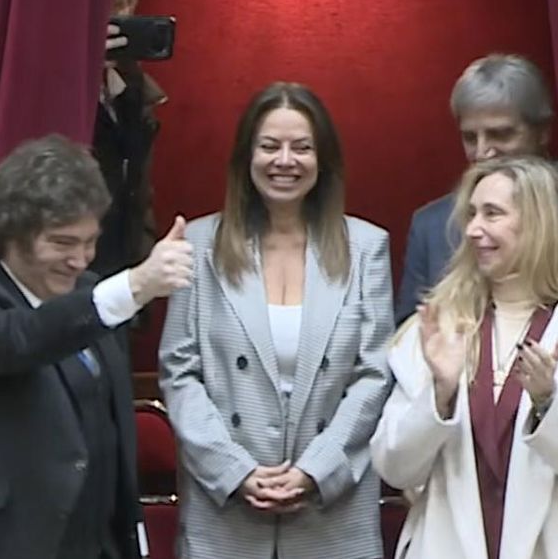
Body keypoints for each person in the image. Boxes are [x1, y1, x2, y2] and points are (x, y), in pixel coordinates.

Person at [0, 134, 194, 559]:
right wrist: (135, 285)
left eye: (89, 242)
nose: (80, 259)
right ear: (11, 231)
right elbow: (20, 339)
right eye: (62, 243)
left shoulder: (89, 292)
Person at [159, 82, 393, 559]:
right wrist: (235, 471)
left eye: (301, 147)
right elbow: (179, 374)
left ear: (321, 159)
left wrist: (315, 470)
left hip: (331, 510)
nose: (284, 160)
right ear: (247, 157)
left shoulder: (367, 248)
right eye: (269, 146)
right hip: (227, 508)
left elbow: (375, 374)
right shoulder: (199, 246)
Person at [371, 156, 558, 559]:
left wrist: (550, 404)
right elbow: (394, 467)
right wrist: (440, 395)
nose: (472, 229)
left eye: (492, 214)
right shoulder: (439, 325)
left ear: (538, 225)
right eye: (471, 214)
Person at [396, 53, 554, 324]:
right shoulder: (431, 225)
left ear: (542, 132)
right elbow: (408, 337)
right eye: (470, 138)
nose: (482, 152)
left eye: (500, 134)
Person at [94, 0, 168, 278]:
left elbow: (139, 195)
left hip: (121, 286)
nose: (110, 21)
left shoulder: (131, 94)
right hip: (66, 286)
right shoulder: (48, 94)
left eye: (118, 8)